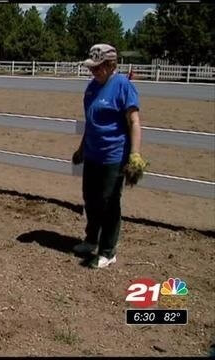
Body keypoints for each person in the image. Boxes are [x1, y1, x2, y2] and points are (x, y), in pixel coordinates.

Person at [71, 43, 147, 269]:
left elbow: (134, 122)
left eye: (98, 67)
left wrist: (134, 155)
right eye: (91, 67)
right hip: (93, 154)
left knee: (108, 203)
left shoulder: (123, 86)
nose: (93, 71)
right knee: (90, 198)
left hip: (114, 155)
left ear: (110, 64)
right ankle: (91, 239)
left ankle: (107, 250)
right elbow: (91, 123)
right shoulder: (92, 88)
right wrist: (82, 148)